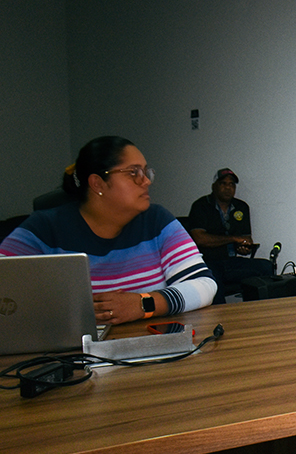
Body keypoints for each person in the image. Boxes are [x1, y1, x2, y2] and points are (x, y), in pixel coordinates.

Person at [0, 136, 216, 324]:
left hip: (152, 347)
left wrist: (143, 304)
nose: (146, 181)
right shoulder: (45, 228)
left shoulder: (156, 220)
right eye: (134, 172)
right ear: (97, 183)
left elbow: (204, 286)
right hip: (73, 353)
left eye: (146, 172)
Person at [187, 168, 272, 304]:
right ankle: (221, 315)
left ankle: (260, 310)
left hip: (232, 262)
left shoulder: (241, 207)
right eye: (223, 184)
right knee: (213, 280)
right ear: (214, 186)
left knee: (267, 267)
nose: (228, 188)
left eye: (232, 184)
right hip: (208, 262)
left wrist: (244, 248)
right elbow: (200, 238)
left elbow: (246, 239)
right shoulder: (201, 206)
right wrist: (233, 239)